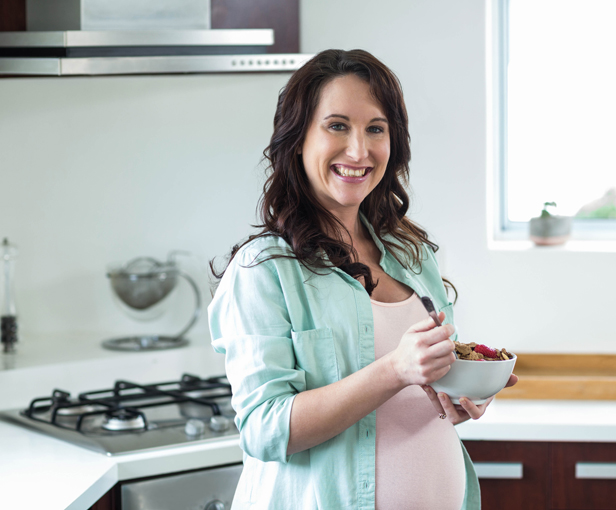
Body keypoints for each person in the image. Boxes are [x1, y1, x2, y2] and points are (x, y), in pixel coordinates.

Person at [209, 49, 518, 510]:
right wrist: (394, 370)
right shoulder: (264, 270)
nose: (359, 150)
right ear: (297, 139)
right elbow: (265, 428)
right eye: (337, 126)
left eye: (376, 128)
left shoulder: (410, 254)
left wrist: (464, 394)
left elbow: (425, 386)